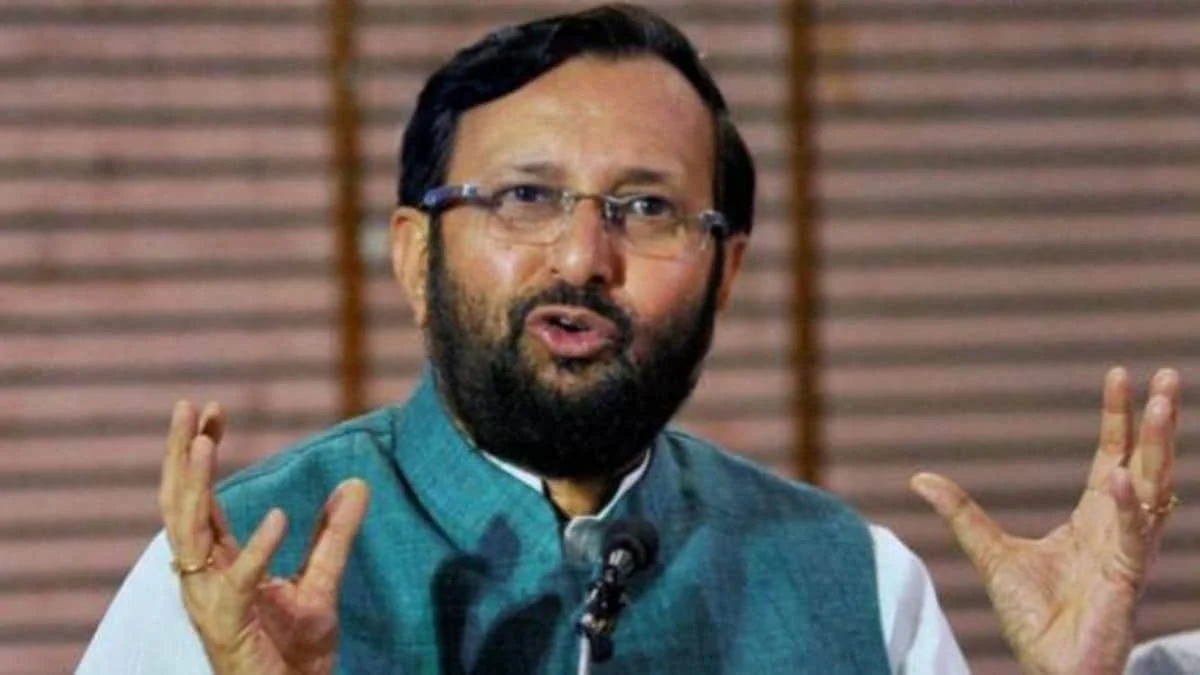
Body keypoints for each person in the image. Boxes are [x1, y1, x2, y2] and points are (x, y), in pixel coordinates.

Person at [78, 4, 1182, 673]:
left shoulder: (856, 582)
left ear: (726, 270)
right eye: (524, 196)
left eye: (646, 208)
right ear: (414, 256)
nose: (582, 257)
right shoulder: (228, 574)